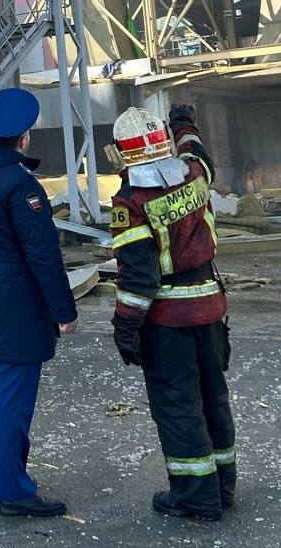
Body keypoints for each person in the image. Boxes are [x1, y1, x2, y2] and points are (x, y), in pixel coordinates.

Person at [109, 103, 235, 521]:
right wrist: (185, 123)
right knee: (213, 399)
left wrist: (126, 327)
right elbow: (198, 150)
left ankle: (197, 497)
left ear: (123, 153)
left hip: (169, 323)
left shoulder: (133, 202)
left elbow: (139, 276)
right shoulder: (195, 173)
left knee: (179, 406)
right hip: (212, 311)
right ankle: (222, 488)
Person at [0, 86, 77, 519]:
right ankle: (14, 492)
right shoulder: (19, 186)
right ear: (23, 138)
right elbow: (42, 254)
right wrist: (64, 311)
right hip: (19, 301)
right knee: (14, 397)